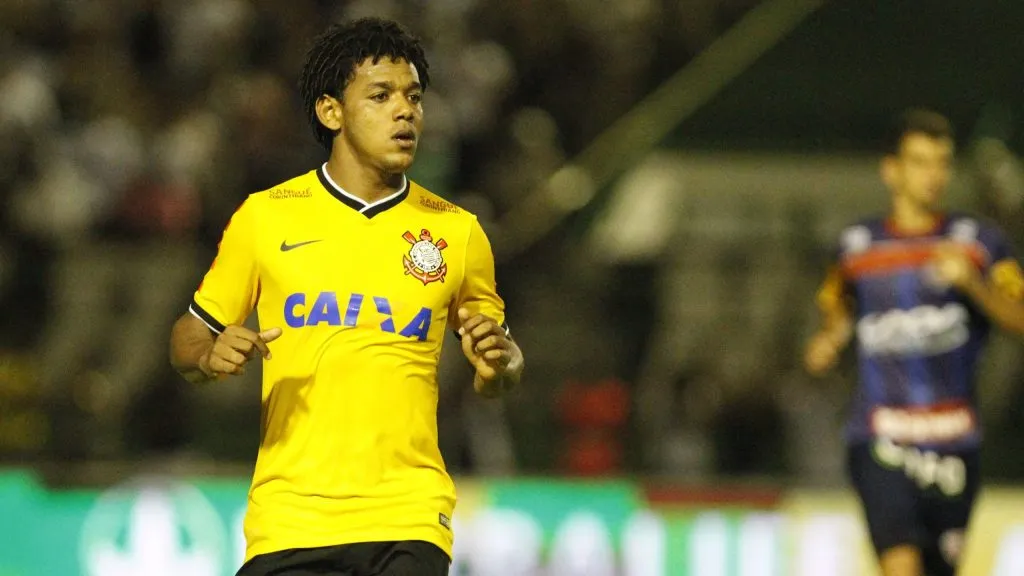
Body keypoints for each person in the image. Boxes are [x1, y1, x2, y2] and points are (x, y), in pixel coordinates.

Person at [169, 18, 524, 576]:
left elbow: (497, 370)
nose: (404, 111)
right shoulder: (266, 217)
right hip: (291, 520)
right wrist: (209, 356)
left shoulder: (457, 233)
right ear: (331, 111)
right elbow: (189, 336)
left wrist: (503, 362)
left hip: (408, 516)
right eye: (380, 96)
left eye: (413, 97)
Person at [804, 108, 1024, 576]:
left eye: (942, 162)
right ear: (892, 170)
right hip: (883, 437)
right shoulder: (856, 248)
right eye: (921, 162)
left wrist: (973, 287)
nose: (934, 175)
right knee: (900, 565)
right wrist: (829, 340)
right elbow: (837, 310)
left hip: (954, 441)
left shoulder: (979, 245)